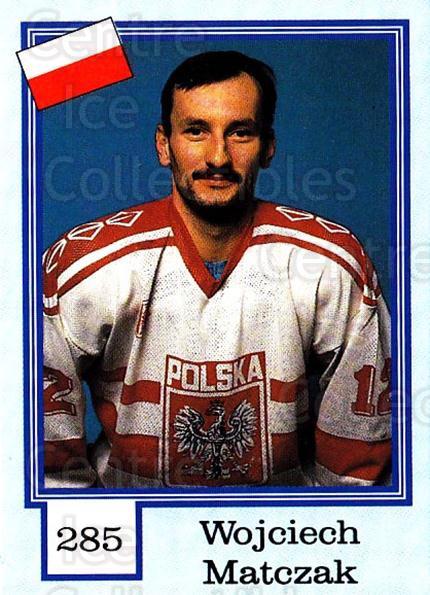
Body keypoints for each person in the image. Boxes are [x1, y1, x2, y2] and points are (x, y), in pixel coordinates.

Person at [43, 51, 391, 489]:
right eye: (196, 131)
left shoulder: (331, 265)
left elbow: (354, 468)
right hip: (132, 520)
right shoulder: (85, 267)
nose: (218, 157)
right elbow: (49, 468)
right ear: (164, 145)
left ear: (268, 147)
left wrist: (310, 527)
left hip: (277, 529)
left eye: (240, 132)